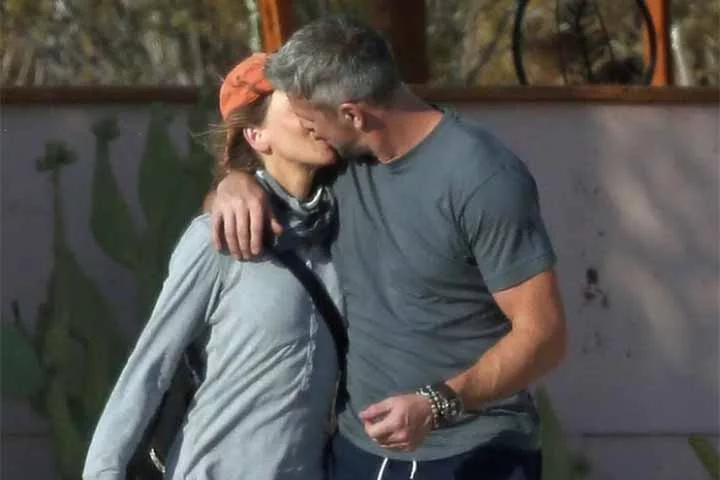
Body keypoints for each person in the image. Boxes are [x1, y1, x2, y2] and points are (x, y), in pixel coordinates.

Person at [210, 16, 568, 480]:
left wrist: (437, 403)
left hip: (473, 452)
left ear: (353, 114)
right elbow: (260, 183)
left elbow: (545, 335)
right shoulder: (339, 162)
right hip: (358, 453)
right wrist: (233, 184)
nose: (307, 131)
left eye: (310, 120)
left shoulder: (483, 178)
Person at [83, 53, 342, 480]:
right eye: (298, 105)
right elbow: (151, 365)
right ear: (256, 134)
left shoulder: (341, 231)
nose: (318, 115)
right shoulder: (216, 239)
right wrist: (102, 472)